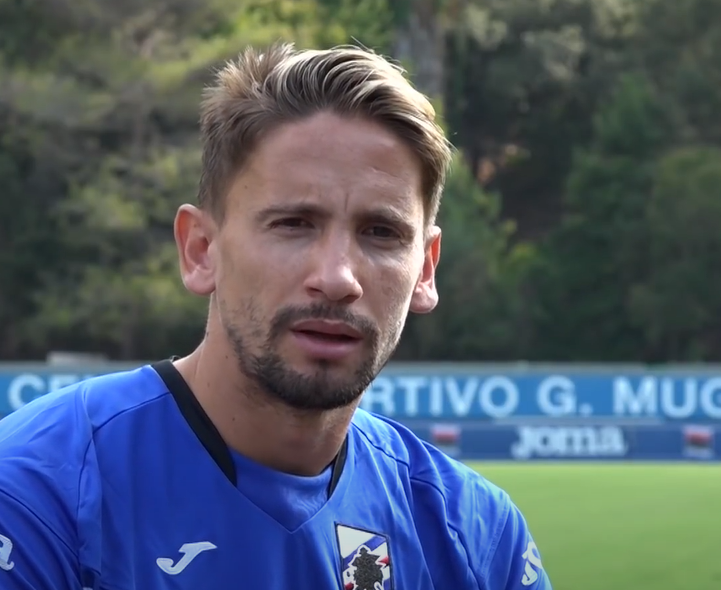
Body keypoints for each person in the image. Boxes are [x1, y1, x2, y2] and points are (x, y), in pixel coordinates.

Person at [0, 42, 554, 589]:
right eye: (293, 224)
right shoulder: (37, 492)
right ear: (201, 250)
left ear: (425, 269)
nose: (338, 277)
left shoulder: (474, 538)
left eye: (381, 233)